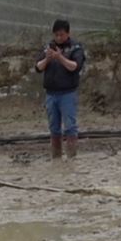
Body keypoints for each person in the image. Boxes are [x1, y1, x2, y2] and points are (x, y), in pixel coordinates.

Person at [35, 18, 86, 160]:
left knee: (70, 127)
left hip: (68, 94)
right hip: (51, 94)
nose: (58, 38)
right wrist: (48, 58)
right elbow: (38, 67)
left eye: (61, 35)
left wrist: (60, 57)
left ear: (68, 34)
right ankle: (56, 158)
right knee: (54, 128)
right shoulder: (47, 48)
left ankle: (71, 158)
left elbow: (75, 66)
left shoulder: (75, 48)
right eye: (56, 35)